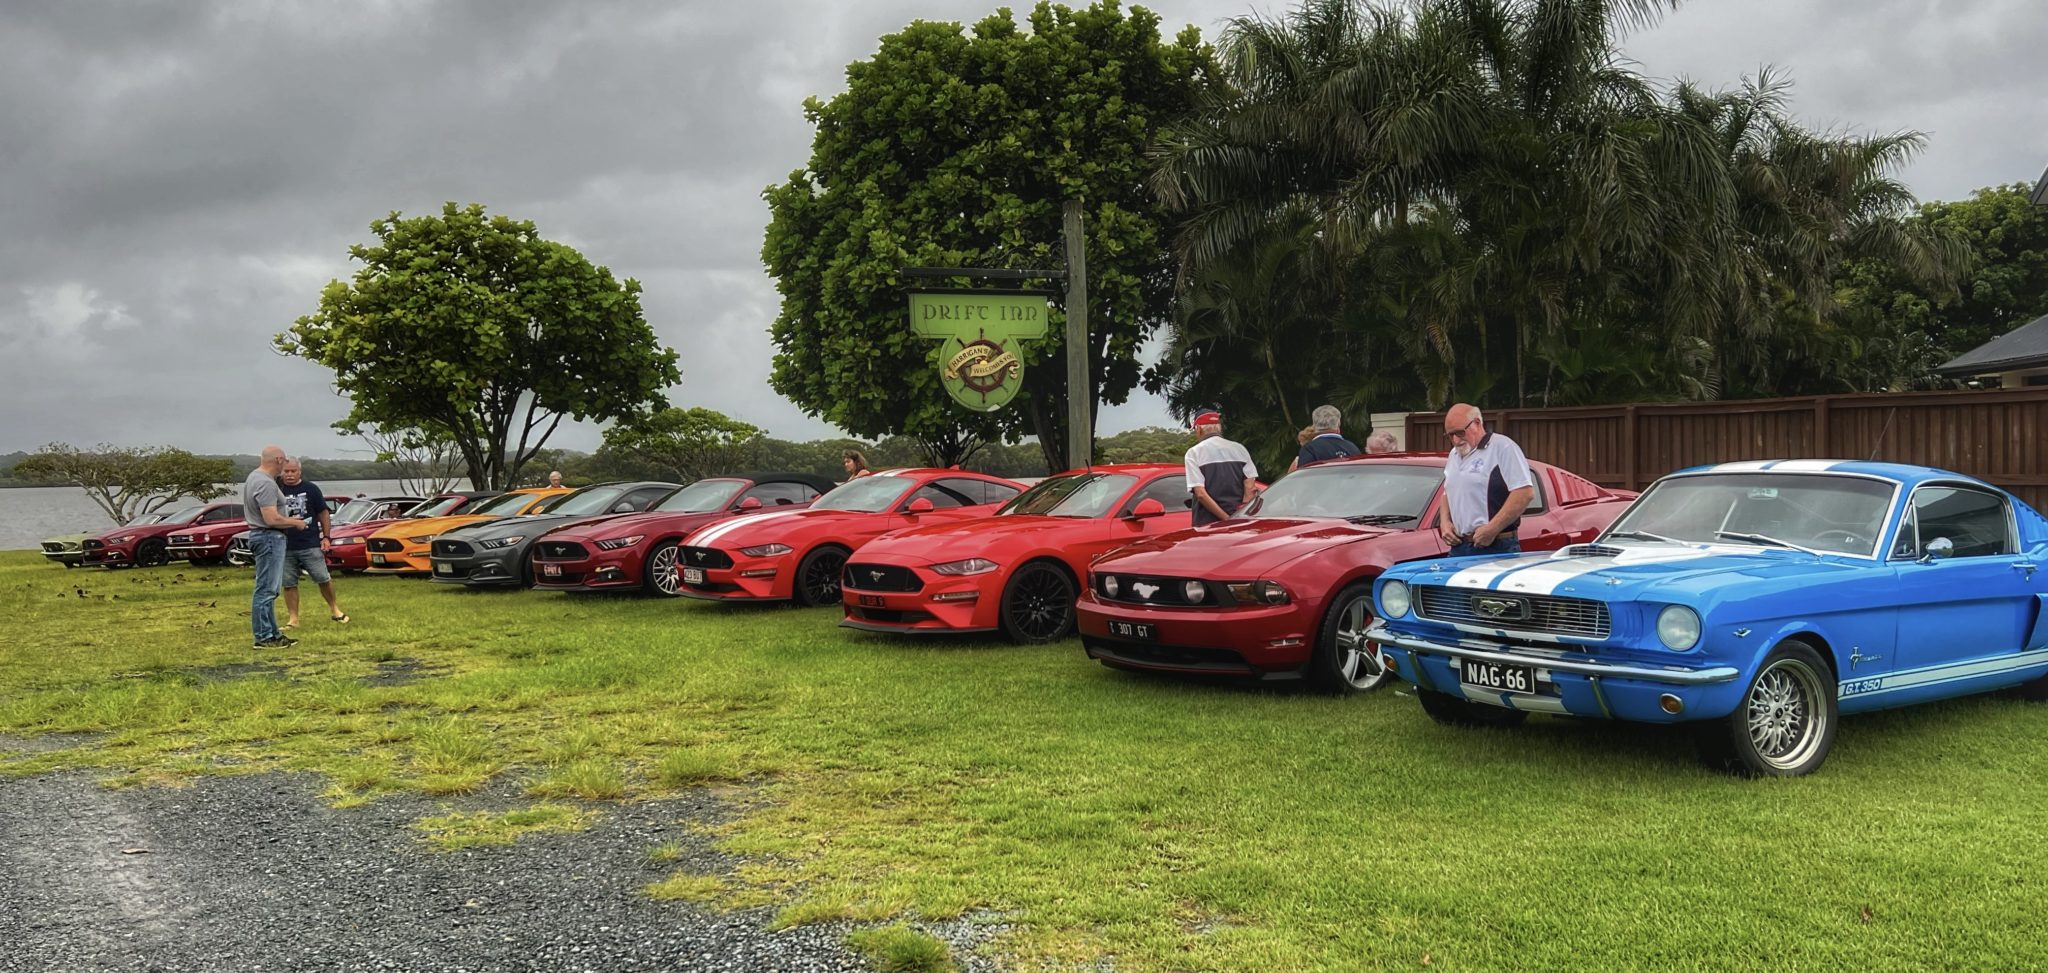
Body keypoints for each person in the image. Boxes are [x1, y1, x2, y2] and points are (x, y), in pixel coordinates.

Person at [1438, 404, 1534, 557]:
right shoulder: (1454, 455)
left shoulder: (1502, 448)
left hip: (1497, 545)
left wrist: (1492, 529)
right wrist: (1445, 523)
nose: (1456, 440)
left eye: (1460, 433)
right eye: (1450, 435)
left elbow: (1524, 493)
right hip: (1459, 546)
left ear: (1477, 423)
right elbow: (1447, 491)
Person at [243, 446, 314, 648]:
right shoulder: (265, 483)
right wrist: (295, 523)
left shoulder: (255, 478)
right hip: (269, 538)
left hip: (266, 536)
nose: (285, 466)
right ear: (278, 460)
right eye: (284, 461)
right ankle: (264, 637)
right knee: (266, 589)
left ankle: (273, 634)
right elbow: (271, 518)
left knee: (270, 589)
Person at [278, 460, 347, 628]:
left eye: (293, 471)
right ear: (281, 472)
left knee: (323, 578)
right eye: (286, 471)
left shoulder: (311, 489)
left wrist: (326, 537)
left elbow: (323, 513)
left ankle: (335, 609)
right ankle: (293, 619)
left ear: (299, 472)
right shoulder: (276, 489)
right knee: (289, 583)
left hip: (309, 542)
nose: (289, 474)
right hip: (285, 544)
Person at [1183, 409, 1258, 526]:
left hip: (1207, 524)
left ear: (1199, 429)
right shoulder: (1239, 449)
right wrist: (1239, 515)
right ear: (1219, 427)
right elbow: (1250, 487)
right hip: (1239, 520)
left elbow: (1201, 494)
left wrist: (1227, 519)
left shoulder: (1194, 453)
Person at [1289, 404, 1359, 472]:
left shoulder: (1310, 449)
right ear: (1338, 423)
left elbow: (1304, 478)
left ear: (1314, 424)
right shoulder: (1353, 448)